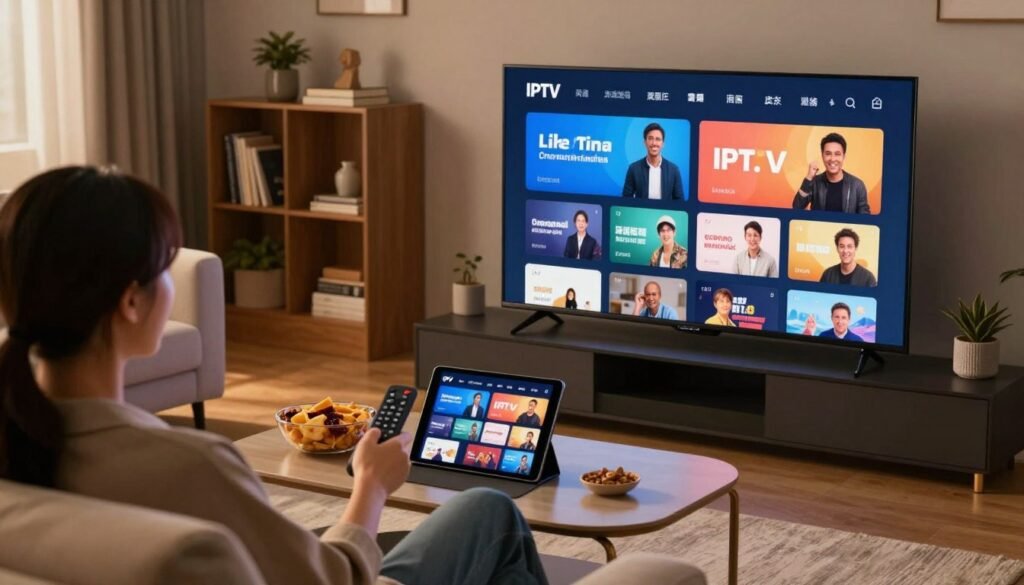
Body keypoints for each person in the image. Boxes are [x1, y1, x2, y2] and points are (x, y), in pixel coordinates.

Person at [0, 166, 549, 585]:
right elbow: (333, 577)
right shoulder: (191, 468)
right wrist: (371, 485)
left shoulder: (20, 443)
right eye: (167, 266)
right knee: (488, 510)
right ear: (130, 302)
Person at [792, 132, 870, 214]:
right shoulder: (814, 182)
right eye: (828, 154)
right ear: (822, 156)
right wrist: (809, 178)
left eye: (837, 154)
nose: (832, 159)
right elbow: (797, 208)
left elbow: (865, 218)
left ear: (843, 156)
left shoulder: (857, 185)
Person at [622, 122, 684, 200]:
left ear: (663, 144)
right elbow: (626, 199)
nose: (654, 143)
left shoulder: (674, 170)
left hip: (665, 212)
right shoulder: (634, 169)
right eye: (650, 138)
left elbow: (679, 201)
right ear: (645, 142)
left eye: (658, 139)